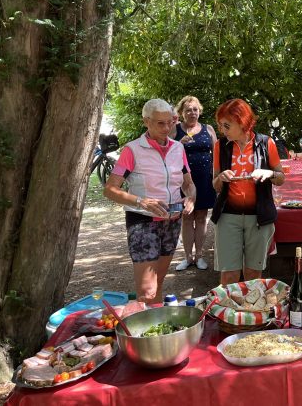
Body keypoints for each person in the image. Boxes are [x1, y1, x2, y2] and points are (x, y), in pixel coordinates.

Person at [103, 99, 196, 304]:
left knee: (159, 283)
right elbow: (110, 190)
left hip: (172, 221)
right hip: (143, 221)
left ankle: (156, 331)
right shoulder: (133, 150)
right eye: (160, 123)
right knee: (147, 291)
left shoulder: (178, 149)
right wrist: (140, 201)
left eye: (170, 122)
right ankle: (141, 332)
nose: (167, 128)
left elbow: (189, 183)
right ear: (146, 121)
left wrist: (191, 197)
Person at [210, 99, 285, 285]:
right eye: (221, 126)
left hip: (259, 217)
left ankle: (250, 312)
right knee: (229, 275)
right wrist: (221, 178)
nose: (222, 131)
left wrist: (269, 173)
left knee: (253, 274)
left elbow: (281, 178)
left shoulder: (266, 143)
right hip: (228, 215)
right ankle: (228, 313)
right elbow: (215, 185)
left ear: (242, 122)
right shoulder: (220, 146)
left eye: (227, 126)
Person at [172, 96, 217, 271]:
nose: (192, 113)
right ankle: (187, 257)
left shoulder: (208, 129)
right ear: (182, 113)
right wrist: (177, 144)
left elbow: (217, 153)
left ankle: (199, 256)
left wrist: (216, 177)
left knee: (201, 217)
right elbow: (164, 150)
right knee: (186, 217)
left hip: (205, 179)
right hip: (183, 180)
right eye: (188, 110)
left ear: (200, 111)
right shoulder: (175, 130)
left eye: (195, 109)